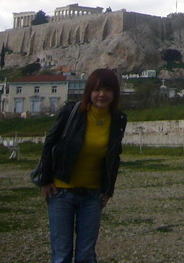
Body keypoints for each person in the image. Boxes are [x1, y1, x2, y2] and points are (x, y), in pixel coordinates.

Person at [35, 68, 127, 263]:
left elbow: (114, 156)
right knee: (61, 255)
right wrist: (45, 180)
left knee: (86, 255)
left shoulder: (118, 119)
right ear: (89, 92)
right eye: (96, 90)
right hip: (61, 192)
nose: (102, 94)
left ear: (114, 93)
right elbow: (50, 143)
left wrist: (108, 189)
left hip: (93, 195)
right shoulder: (72, 112)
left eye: (108, 90)